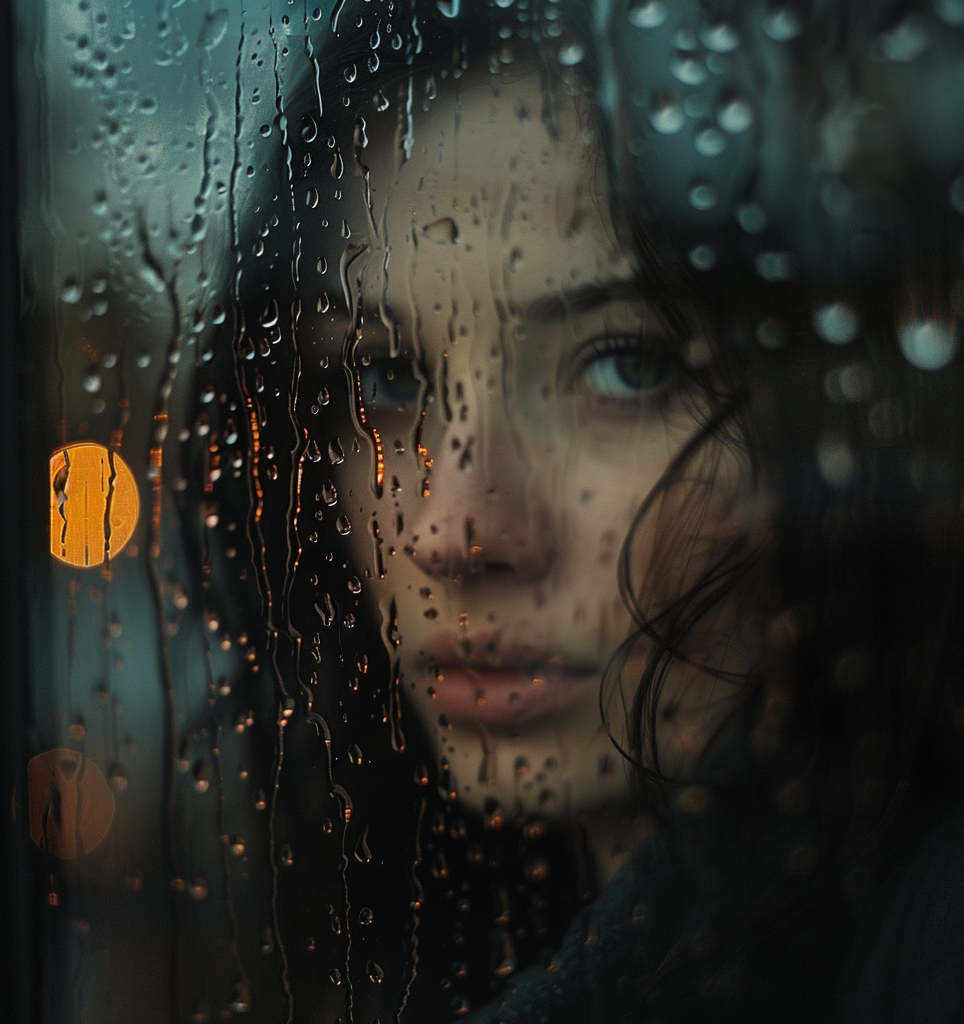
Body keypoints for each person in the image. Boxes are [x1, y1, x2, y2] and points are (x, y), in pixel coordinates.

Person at [230, 2, 964, 1021]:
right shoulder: (409, 936)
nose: (453, 530)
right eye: (387, 380)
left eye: (626, 365)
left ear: (841, 418)